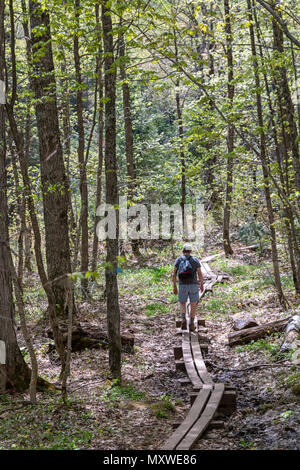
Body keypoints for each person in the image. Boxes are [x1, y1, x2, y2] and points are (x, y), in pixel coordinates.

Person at [172, 243, 204, 332]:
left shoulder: (178, 260)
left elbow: (174, 273)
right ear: (190, 251)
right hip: (193, 285)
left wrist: (174, 286)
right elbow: (199, 273)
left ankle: (183, 319)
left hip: (182, 285)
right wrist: (201, 284)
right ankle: (191, 322)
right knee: (193, 304)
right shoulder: (195, 260)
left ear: (183, 251)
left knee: (183, 303)